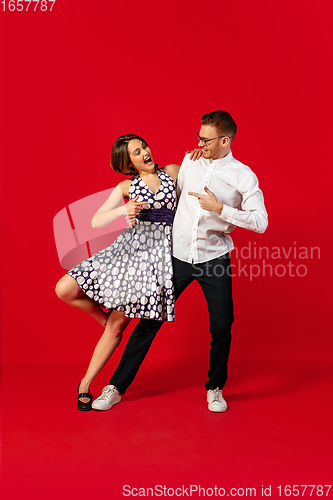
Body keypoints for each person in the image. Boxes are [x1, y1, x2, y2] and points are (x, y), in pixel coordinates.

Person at [91, 110, 268, 413]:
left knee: (222, 326)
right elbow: (170, 197)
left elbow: (261, 222)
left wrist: (221, 208)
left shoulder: (243, 175)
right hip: (176, 255)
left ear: (225, 140)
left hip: (214, 258)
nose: (199, 142)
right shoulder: (190, 161)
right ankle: (115, 387)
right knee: (148, 322)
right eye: (198, 136)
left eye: (206, 139)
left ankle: (214, 388)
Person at [55, 134, 180, 411]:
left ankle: (85, 384)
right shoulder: (127, 186)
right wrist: (123, 210)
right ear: (129, 163)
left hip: (155, 260)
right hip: (125, 251)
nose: (145, 152)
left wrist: (198, 154)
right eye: (137, 152)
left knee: (118, 325)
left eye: (144, 146)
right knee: (64, 289)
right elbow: (96, 219)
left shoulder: (172, 172)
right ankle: (103, 319)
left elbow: (195, 185)